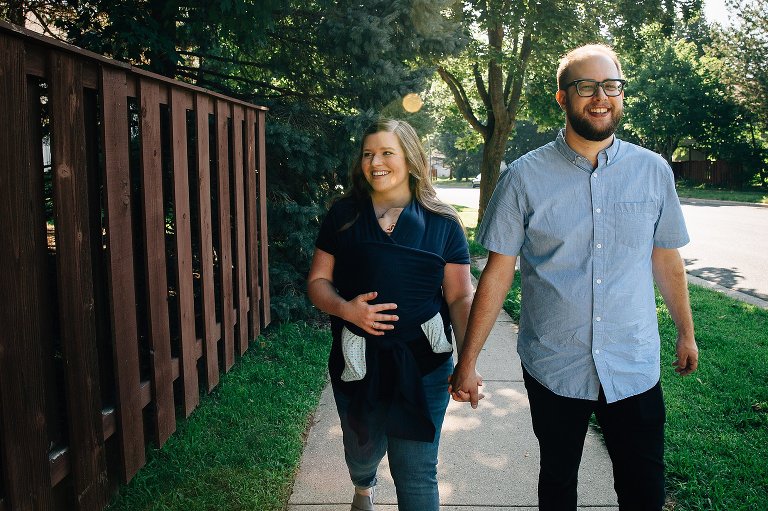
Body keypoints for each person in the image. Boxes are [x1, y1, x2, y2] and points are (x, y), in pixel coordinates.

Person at [449, 44, 699, 510]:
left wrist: (686, 332)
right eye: (586, 87)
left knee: (644, 489)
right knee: (558, 484)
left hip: (634, 363)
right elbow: (498, 273)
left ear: (621, 94)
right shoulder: (522, 178)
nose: (600, 97)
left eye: (611, 86)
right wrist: (468, 360)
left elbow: (666, 258)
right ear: (563, 98)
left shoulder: (653, 171)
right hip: (554, 363)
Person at [307, 118, 473, 511]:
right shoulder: (344, 216)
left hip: (423, 366)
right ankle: (364, 484)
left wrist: (468, 360)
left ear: (411, 158)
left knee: (416, 471)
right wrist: (346, 309)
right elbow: (317, 282)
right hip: (358, 362)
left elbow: (460, 298)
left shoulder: (443, 223)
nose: (375, 162)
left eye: (386, 152)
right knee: (361, 452)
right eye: (368, 153)